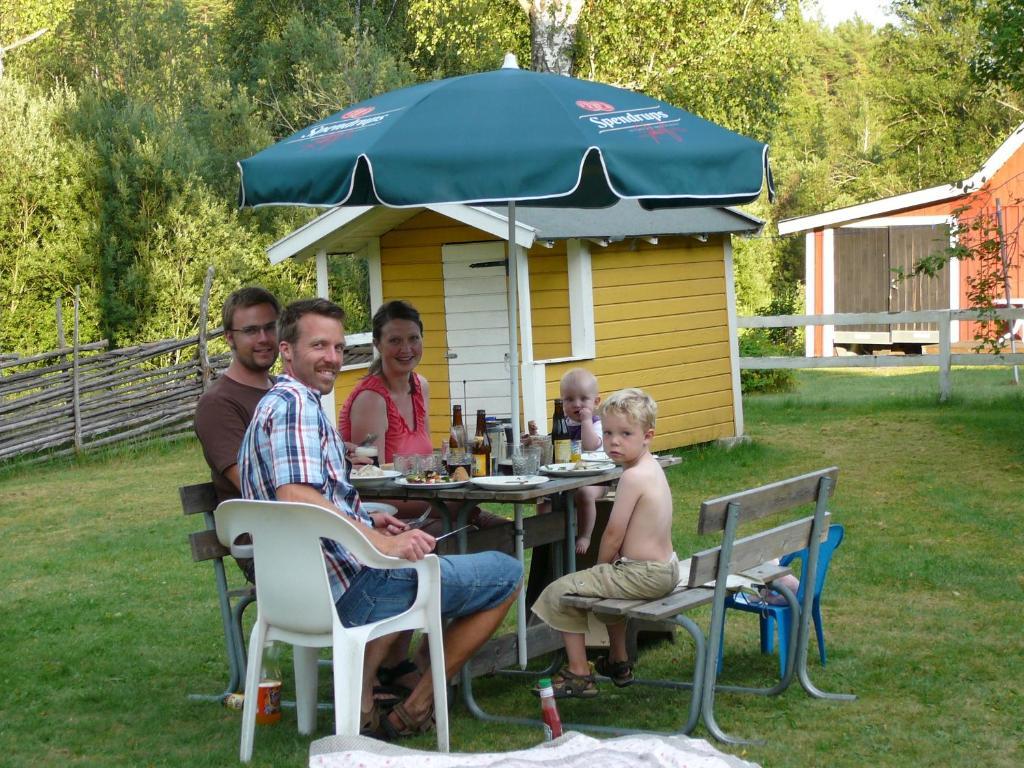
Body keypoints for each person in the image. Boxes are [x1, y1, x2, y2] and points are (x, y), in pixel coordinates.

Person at [237, 298, 522, 737]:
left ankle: (368, 698)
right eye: (318, 345)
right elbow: (295, 495)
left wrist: (368, 521)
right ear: (287, 351)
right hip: (347, 592)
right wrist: (381, 544)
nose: (332, 358)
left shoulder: (275, 405)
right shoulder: (296, 407)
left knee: (417, 548)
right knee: (506, 572)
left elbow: (310, 501)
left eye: (336, 346)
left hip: (294, 592)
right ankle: (417, 705)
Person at [530, 388, 678, 698]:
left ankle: (579, 673)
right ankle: (618, 660)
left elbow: (613, 534)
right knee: (609, 582)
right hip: (664, 570)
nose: (613, 441)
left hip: (643, 574)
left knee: (559, 592)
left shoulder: (632, 478)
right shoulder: (651, 469)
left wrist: (599, 568)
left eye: (625, 433)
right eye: (608, 432)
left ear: (647, 436)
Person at [338, 299, 506, 532]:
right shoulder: (371, 400)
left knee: (505, 529)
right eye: (395, 340)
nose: (406, 349)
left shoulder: (421, 386)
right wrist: (448, 502)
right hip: (388, 519)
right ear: (377, 344)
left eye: (413, 338)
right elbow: (372, 487)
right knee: (484, 532)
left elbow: (425, 465)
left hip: (428, 502)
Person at [194, 286, 281, 582]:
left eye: (270, 327)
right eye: (251, 331)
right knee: (412, 574)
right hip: (266, 547)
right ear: (230, 337)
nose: (264, 339)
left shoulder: (284, 390)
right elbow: (253, 484)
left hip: (310, 529)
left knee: (421, 559)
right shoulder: (218, 404)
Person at [559, 368, 607, 554]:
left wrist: (586, 422)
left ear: (596, 402)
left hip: (596, 479)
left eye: (583, 399)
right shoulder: (564, 423)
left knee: (585, 494)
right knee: (545, 499)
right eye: (569, 399)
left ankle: (585, 535)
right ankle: (548, 536)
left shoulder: (597, 424)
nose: (576, 404)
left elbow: (590, 445)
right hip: (569, 478)